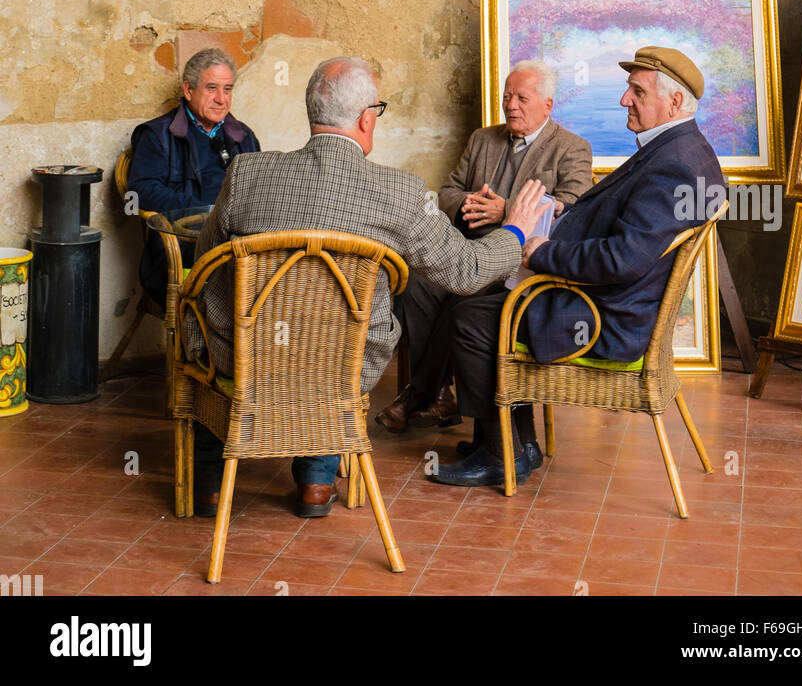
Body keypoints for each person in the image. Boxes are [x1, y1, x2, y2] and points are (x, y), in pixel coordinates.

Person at [182, 57, 544, 518]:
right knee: (333, 352)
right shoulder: (401, 193)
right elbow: (467, 272)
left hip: (244, 357)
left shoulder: (248, 174)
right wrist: (514, 230)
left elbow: (205, 267)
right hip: (342, 366)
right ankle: (315, 481)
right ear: (366, 119)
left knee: (221, 315)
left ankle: (213, 483)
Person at [427, 45, 725, 489]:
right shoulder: (680, 151)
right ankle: (514, 441)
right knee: (477, 302)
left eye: (637, 91)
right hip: (615, 302)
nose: (625, 100)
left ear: (675, 102)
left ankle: (501, 451)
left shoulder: (675, 166)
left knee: (470, 319)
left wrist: (539, 251)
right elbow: (622, 236)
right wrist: (553, 219)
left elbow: (621, 259)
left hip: (607, 318)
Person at [375, 60, 592, 434]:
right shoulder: (483, 139)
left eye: (522, 98)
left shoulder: (571, 148)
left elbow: (573, 209)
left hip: (520, 263)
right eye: (507, 96)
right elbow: (447, 192)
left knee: (465, 298)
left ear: (548, 105)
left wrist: (505, 209)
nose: (511, 105)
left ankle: (420, 394)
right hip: (468, 252)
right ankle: (441, 395)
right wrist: (469, 202)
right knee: (416, 286)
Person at [128, 48, 260, 307]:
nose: (221, 99)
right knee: (230, 295)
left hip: (237, 248)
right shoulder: (157, 135)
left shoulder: (244, 136)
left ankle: (255, 345)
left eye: (228, 89)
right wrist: (204, 212)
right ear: (188, 90)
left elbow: (260, 190)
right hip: (183, 250)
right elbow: (137, 193)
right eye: (212, 88)